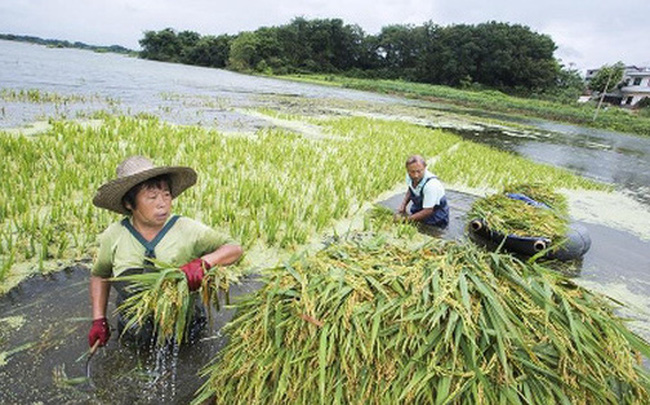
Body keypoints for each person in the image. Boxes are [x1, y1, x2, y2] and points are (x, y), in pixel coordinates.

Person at [87, 156, 243, 348]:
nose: (162, 203)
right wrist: (99, 319)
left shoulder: (187, 229)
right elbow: (100, 275)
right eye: (152, 197)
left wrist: (203, 263)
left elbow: (234, 248)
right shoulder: (114, 235)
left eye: (167, 195)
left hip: (184, 327)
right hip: (135, 329)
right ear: (129, 203)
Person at [396, 155, 449, 228]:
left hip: (434, 216)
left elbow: (428, 211)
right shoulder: (409, 176)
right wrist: (403, 205)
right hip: (420, 209)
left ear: (425, 168)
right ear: (408, 170)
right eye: (412, 172)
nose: (415, 175)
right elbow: (411, 189)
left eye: (419, 171)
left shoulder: (431, 185)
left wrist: (405, 220)